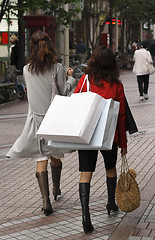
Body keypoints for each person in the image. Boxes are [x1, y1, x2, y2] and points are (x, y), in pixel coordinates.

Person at [6, 31, 77, 216]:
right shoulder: (57, 67)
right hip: (54, 119)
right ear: (50, 44)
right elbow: (63, 94)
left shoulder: (27, 69)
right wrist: (71, 78)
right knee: (54, 154)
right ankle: (56, 189)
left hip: (35, 120)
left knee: (40, 158)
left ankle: (46, 202)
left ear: (32, 46)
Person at [74, 46, 127, 234]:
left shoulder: (85, 80)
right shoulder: (116, 85)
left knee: (85, 172)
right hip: (109, 135)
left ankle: (85, 216)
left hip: (87, 134)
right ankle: (111, 203)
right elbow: (122, 116)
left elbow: (76, 102)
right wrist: (123, 144)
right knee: (110, 168)